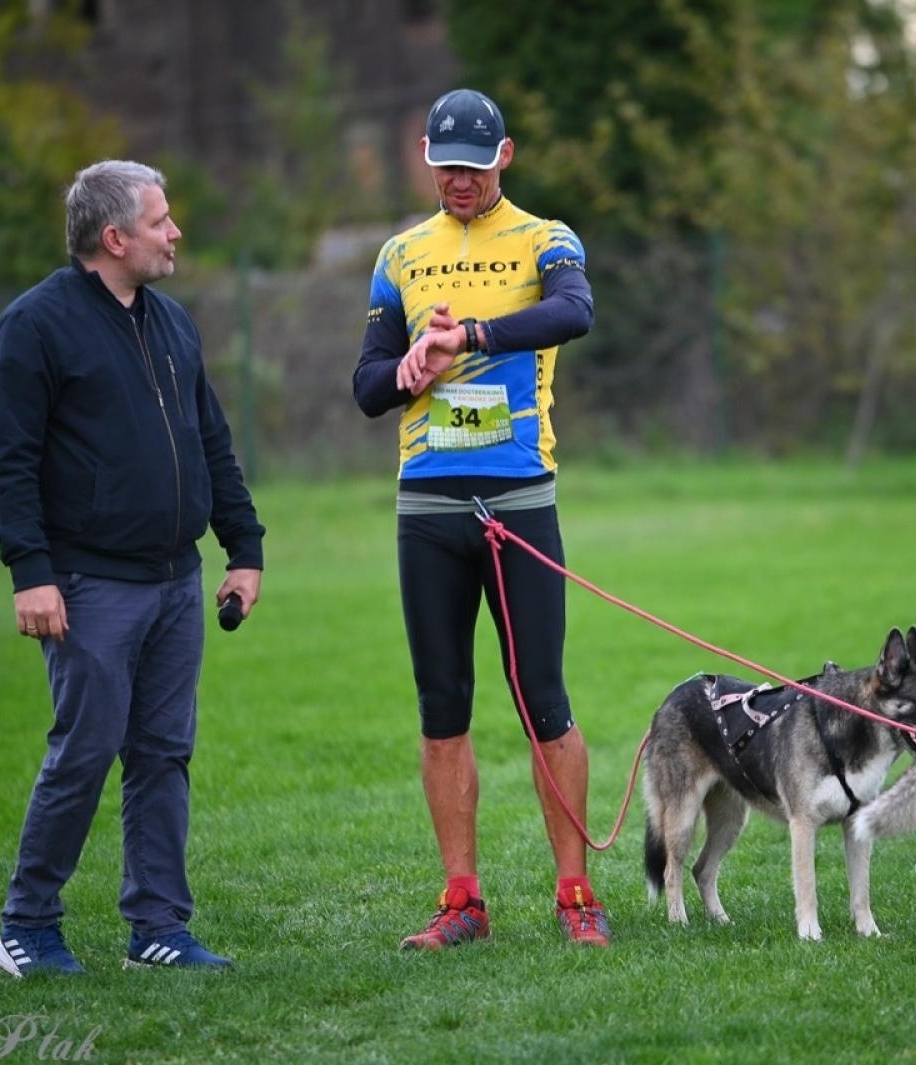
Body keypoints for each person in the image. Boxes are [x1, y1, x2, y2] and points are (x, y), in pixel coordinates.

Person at [0, 160, 264, 976]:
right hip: (85, 583)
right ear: (114, 238)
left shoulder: (172, 323)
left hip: (175, 580)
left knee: (164, 752)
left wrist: (243, 547)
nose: (175, 232)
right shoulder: (34, 327)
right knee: (86, 747)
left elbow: (212, 443)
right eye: (160, 221)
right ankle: (26, 925)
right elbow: (7, 461)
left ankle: (158, 927)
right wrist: (29, 571)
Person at [352, 89, 608, 949]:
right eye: (444, 167)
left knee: (544, 701)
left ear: (504, 157)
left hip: (519, 497)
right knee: (442, 706)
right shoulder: (400, 252)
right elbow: (365, 386)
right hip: (428, 505)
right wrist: (413, 366)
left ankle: (576, 893)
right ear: (425, 155)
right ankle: (462, 900)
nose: (458, 182)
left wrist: (473, 338)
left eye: (473, 166)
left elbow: (574, 313)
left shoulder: (545, 238)